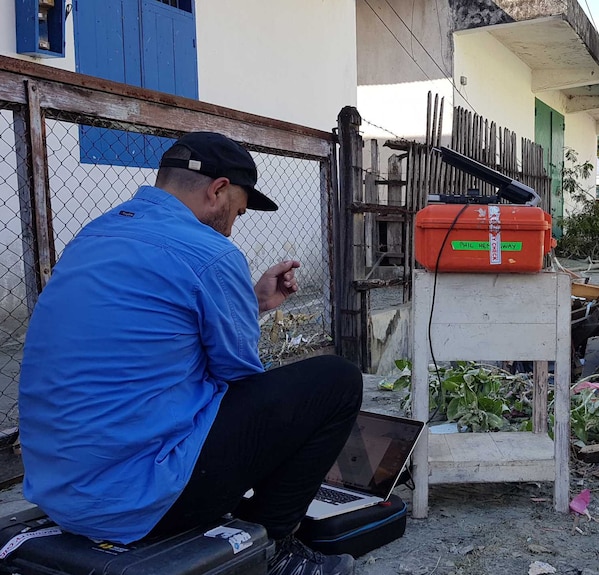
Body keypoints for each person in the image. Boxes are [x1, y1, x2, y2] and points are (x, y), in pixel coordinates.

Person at [18, 132, 362, 575]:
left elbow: (148, 336)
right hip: (136, 503)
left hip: (62, 493)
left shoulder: (93, 235)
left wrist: (249, 302)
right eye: (237, 211)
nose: (234, 226)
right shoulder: (211, 252)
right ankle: (275, 552)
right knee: (335, 381)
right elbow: (239, 378)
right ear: (217, 190)